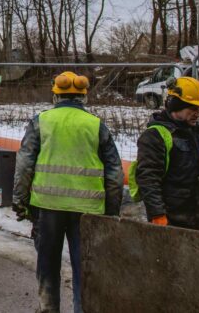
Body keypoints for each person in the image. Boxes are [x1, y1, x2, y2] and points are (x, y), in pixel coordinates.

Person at [13, 71, 123, 313]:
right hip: (88, 211)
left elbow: (24, 164)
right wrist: (111, 211)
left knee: (47, 264)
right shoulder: (96, 125)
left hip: (48, 206)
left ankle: (48, 308)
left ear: (55, 96)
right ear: (84, 97)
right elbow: (115, 173)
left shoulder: (41, 122)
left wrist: (20, 200)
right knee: (84, 269)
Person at [134, 76, 199, 234]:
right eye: (192, 108)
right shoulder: (155, 136)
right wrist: (158, 215)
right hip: (173, 224)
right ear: (176, 106)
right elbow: (148, 179)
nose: (197, 113)